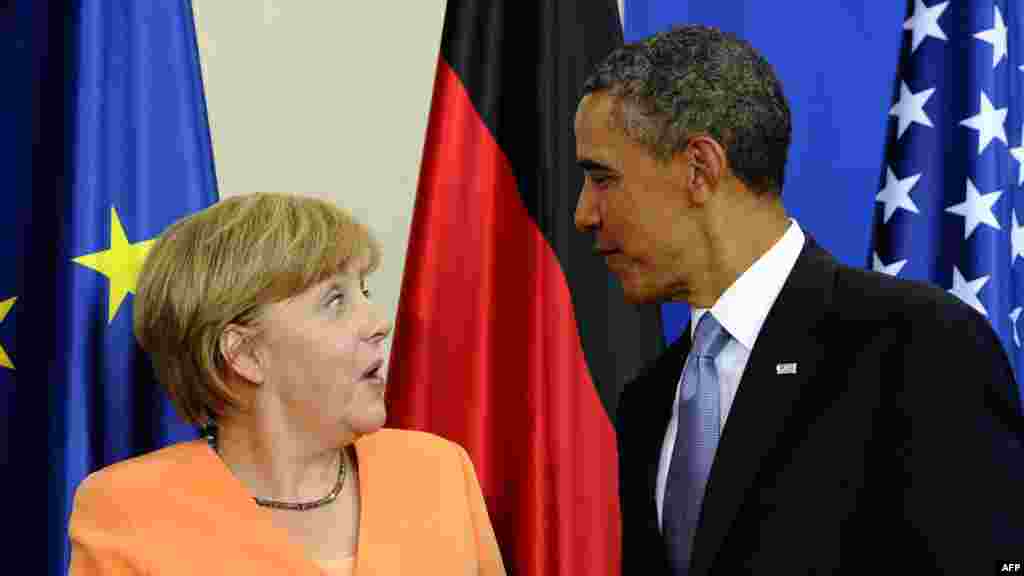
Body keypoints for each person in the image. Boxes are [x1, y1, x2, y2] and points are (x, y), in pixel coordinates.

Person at [573, 25, 1024, 574]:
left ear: (700, 168)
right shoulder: (648, 401)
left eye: (602, 178)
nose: (583, 214)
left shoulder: (919, 345)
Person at [67, 193, 507, 575]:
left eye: (365, 292)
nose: (379, 323)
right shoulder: (128, 510)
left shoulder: (439, 471)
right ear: (245, 354)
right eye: (335, 300)